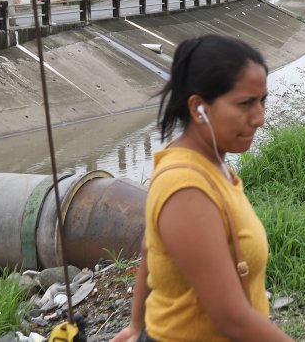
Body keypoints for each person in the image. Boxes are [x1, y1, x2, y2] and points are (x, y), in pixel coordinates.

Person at [112, 35, 292, 342]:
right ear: (199, 109)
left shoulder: (211, 166)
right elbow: (231, 318)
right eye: (245, 103)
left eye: (263, 100)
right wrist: (138, 327)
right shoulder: (185, 187)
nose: (260, 117)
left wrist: (136, 325)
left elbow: (148, 250)